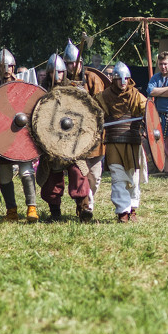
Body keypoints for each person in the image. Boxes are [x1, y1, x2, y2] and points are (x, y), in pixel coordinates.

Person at [38, 53, 93, 222]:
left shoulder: (74, 91)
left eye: (61, 72)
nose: (59, 75)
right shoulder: (42, 93)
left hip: (72, 142)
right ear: (49, 73)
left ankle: (83, 208)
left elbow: (87, 114)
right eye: (55, 72)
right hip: (51, 143)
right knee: (53, 177)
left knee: (78, 172)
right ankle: (55, 212)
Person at [0, 48, 39, 222]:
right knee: (4, 176)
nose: (6, 70)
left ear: (13, 67)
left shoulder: (21, 87)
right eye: (2, 67)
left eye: (9, 66)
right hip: (3, 139)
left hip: (22, 137)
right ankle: (11, 211)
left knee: (26, 172)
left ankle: (31, 208)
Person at [62, 37, 106, 211]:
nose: (71, 67)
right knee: (79, 174)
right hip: (74, 137)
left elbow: (101, 106)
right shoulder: (63, 82)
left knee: (95, 176)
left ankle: (88, 200)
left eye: (74, 63)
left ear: (80, 62)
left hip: (93, 136)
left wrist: (84, 97)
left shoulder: (92, 78)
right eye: (68, 64)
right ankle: (84, 205)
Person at [101, 62, 147, 222]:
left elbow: (148, 111)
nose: (123, 82)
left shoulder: (137, 96)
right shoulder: (104, 96)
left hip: (132, 143)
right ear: (113, 79)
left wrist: (148, 118)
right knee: (118, 178)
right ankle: (122, 212)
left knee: (133, 179)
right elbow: (94, 113)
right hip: (113, 143)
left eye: (126, 78)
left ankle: (132, 208)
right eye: (119, 78)